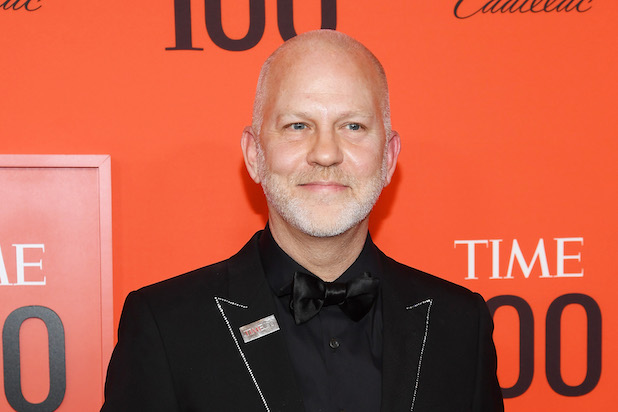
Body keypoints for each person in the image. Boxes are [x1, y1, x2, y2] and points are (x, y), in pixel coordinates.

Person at [101, 30, 504, 411]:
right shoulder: (166, 327)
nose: (326, 153)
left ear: (388, 157)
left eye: (353, 126)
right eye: (298, 126)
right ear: (255, 154)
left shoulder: (461, 326)